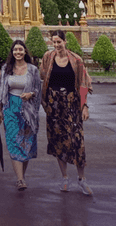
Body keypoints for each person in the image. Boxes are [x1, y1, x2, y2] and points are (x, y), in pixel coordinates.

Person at [40, 29, 93, 195]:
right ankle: (64, 178)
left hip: (72, 104)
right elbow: (41, 77)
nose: (56, 45)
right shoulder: (48, 58)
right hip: (54, 106)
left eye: (59, 42)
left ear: (65, 42)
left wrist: (84, 106)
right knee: (58, 141)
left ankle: (82, 179)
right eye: (54, 42)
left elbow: (83, 84)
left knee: (77, 141)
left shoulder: (76, 60)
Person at [0, 39, 42, 190]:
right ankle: (20, 179)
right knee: (13, 140)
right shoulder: (6, 69)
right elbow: (2, 89)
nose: (18, 52)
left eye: (20, 50)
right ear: (12, 52)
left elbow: (38, 90)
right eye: (15, 50)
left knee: (26, 142)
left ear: (25, 52)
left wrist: (30, 94)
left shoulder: (33, 70)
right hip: (11, 107)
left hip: (28, 109)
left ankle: (22, 174)